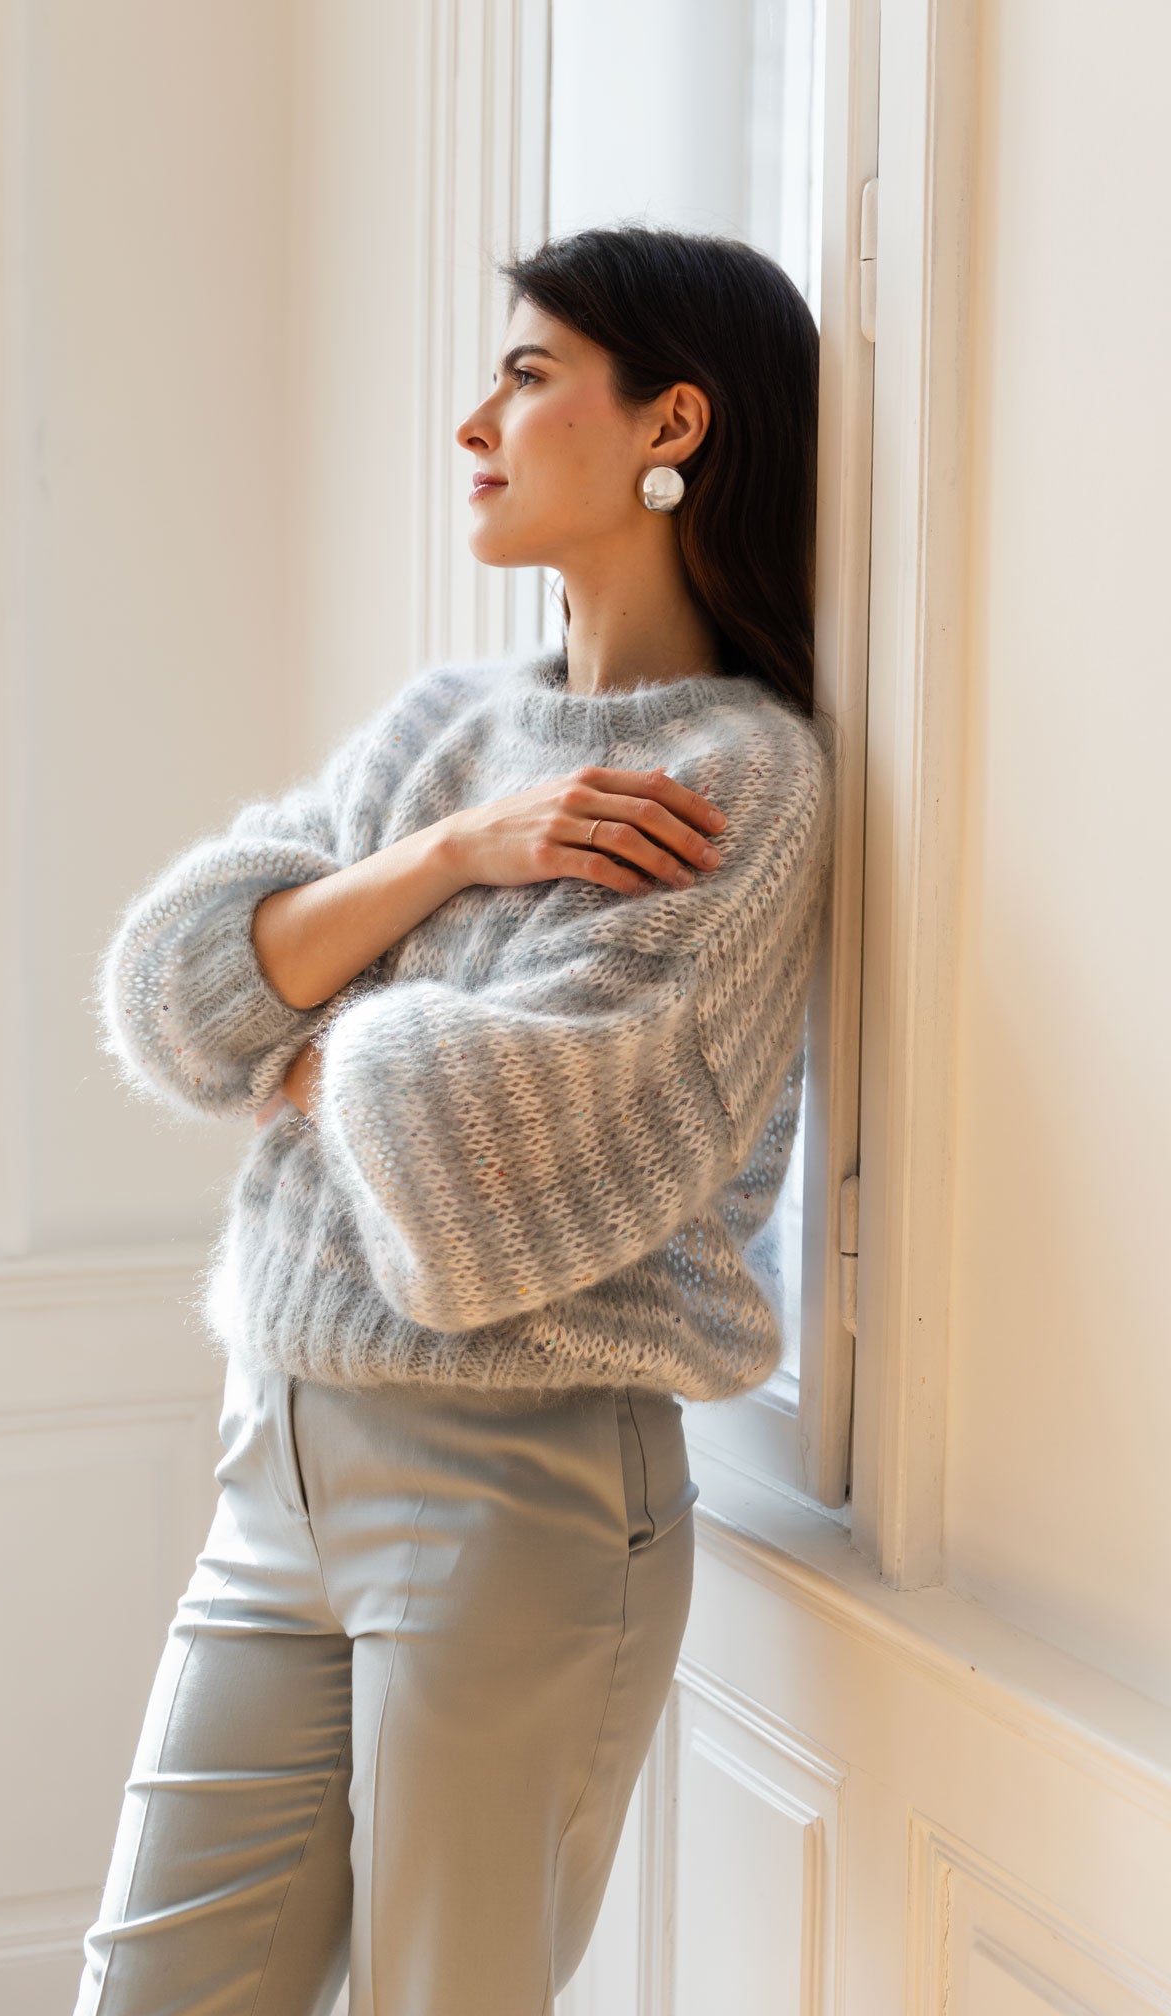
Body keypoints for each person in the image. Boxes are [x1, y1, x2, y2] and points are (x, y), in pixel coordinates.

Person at [76, 223, 839, 2016]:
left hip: (522, 1489)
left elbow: (498, 1176)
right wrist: (452, 853)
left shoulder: (744, 778)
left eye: (525, 372)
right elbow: (178, 995)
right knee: (147, 1991)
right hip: (277, 1463)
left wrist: (319, 1023)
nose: (471, 420)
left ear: (674, 423)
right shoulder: (446, 731)